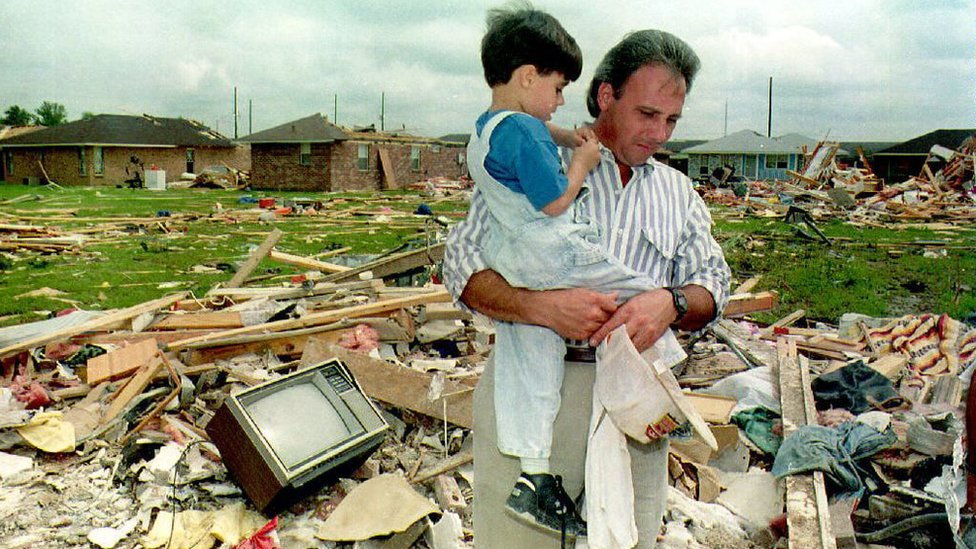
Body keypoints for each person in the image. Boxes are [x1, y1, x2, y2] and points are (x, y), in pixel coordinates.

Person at [444, 26, 732, 548]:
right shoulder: (535, 161)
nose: (660, 134)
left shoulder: (678, 191)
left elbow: (714, 282)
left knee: (624, 538)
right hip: (540, 397)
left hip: (634, 403)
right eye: (647, 114)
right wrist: (540, 308)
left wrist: (671, 303)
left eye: (672, 120)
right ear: (606, 96)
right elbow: (460, 262)